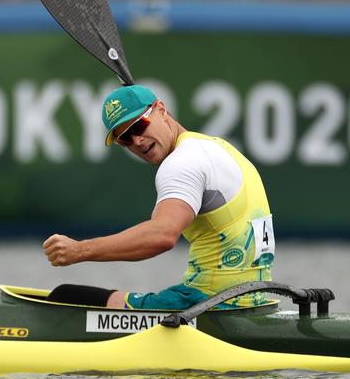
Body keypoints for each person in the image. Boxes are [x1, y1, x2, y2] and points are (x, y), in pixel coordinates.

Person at [43, 85, 274, 310]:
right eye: (125, 138)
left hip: (205, 305)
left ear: (162, 110)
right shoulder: (220, 148)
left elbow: (161, 235)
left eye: (138, 126)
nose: (137, 141)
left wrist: (80, 250)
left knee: (64, 296)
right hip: (255, 301)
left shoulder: (182, 163)